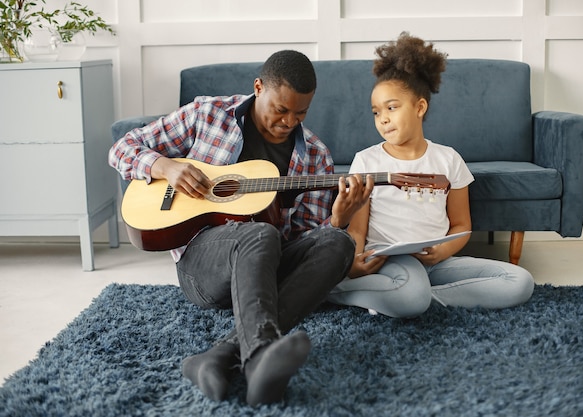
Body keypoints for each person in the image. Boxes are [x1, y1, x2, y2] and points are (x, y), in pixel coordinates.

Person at [109, 50, 373, 406]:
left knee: (338, 243)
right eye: (281, 110)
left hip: (267, 264)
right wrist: (165, 168)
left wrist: (339, 217)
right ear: (258, 87)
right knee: (258, 233)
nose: (289, 122)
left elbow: (305, 238)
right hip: (202, 264)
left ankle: (218, 357)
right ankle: (259, 354)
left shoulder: (315, 157)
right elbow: (122, 148)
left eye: (301, 113)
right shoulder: (207, 114)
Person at [326, 33, 534, 318]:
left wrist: (443, 250)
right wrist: (355, 263)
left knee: (520, 282)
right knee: (410, 288)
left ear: (420, 107)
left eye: (391, 107)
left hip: (437, 262)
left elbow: (461, 224)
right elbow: (358, 229)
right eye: (376, 112)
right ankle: (330, 290)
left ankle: (411, 297)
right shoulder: (366, 160)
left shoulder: (448, 159)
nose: (382, 118)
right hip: (390, 260)